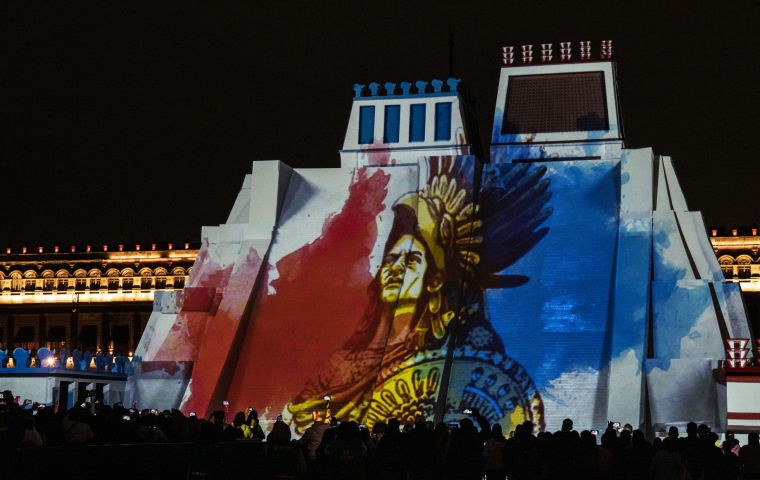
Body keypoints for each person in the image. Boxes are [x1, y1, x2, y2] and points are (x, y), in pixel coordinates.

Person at [288, 158, 552, 433]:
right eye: (392, 259)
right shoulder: (347, 356)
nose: (396, 269)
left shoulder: (456, 339)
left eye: (412, 260)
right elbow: (305, 406)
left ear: (434, 279)